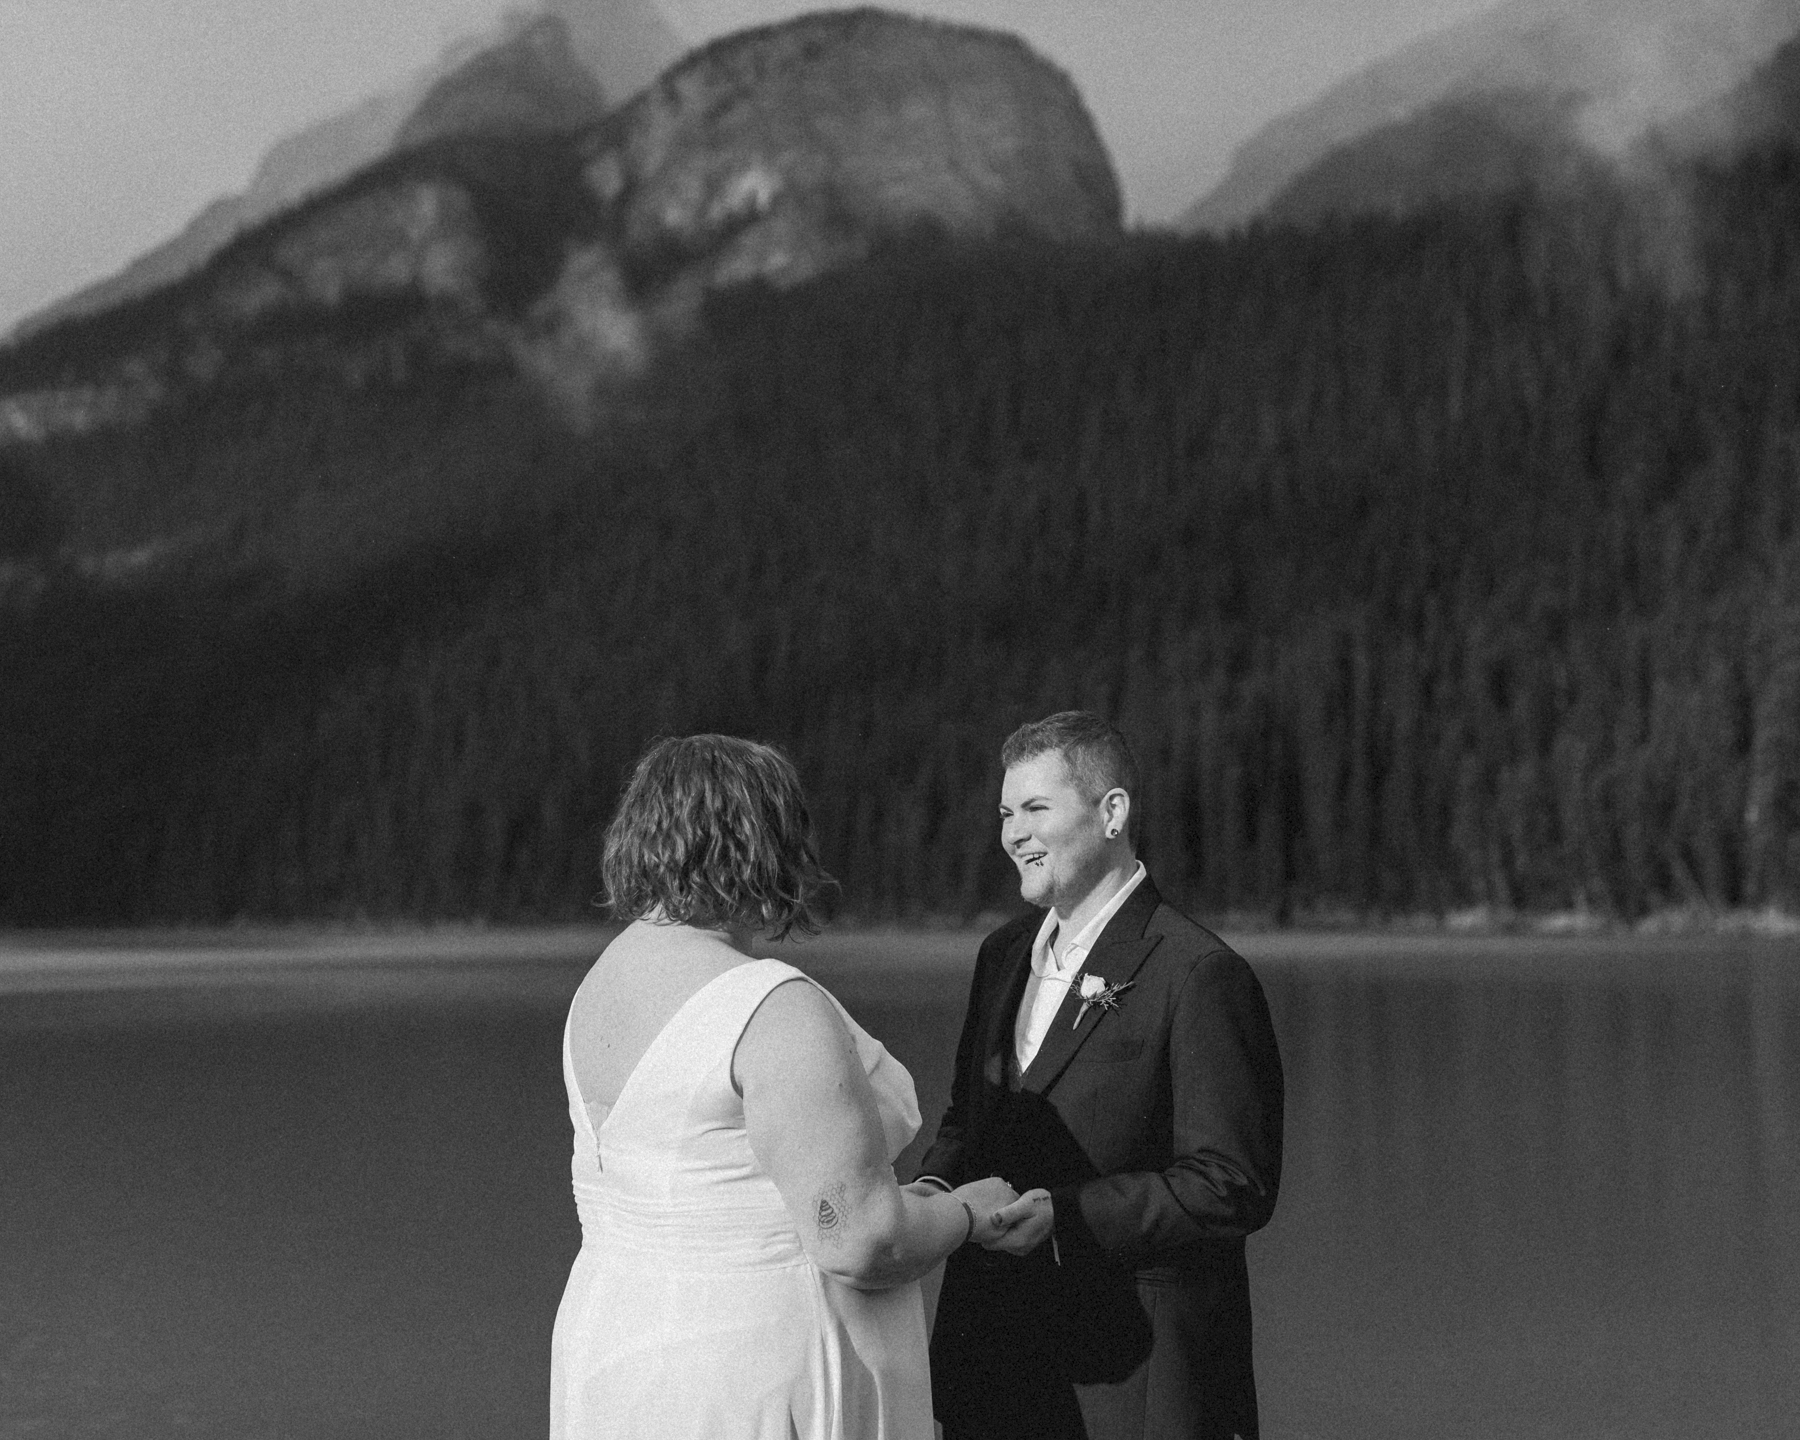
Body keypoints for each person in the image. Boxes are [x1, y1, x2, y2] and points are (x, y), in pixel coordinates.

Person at [550, 734, 1018, 1439]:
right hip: (749, 1372)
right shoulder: (771, 1007)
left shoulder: (600, 987)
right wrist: (967, 1212)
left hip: (618, 1349)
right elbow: (860, 1242)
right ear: (760, 844)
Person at [917, 712, 1285, 1440]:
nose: (1012, 833)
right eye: (1004, 813)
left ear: (1112, 812)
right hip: (991, 1365)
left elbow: (1231, 1184)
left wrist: (1067, 1216)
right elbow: (970, 1119)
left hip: (1133, 1388)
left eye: (1035, 809)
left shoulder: (1201, 973)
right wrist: (930, 1194)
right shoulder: (1000, 955)